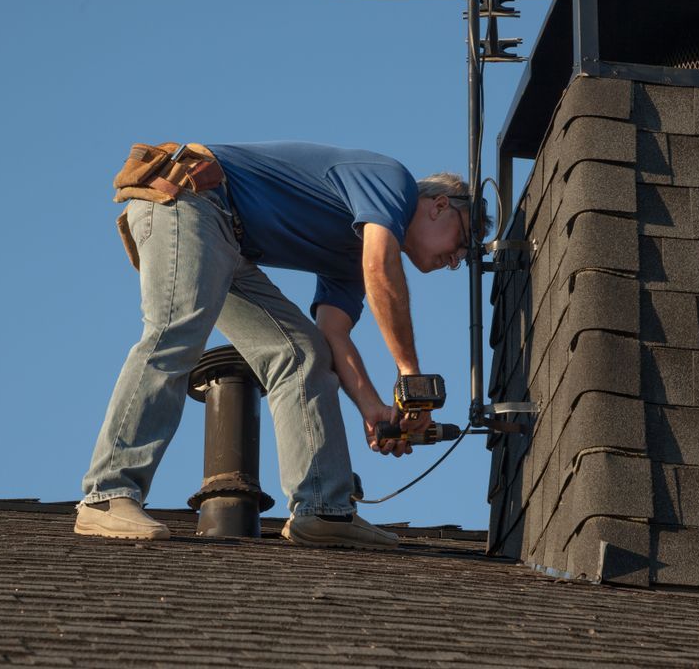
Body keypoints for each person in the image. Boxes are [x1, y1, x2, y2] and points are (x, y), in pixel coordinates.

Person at [74, 141, 487, 549]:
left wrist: (374, 408)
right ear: (440, 205)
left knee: (300, 352)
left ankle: (323, 510)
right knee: (176, 330)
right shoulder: (394, 183)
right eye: (463, 243)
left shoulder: (351, 251)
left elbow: (333, 333)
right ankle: (108, 494)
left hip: (223, 238)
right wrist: (410, 375)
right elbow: (381, 266)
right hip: (187, 202)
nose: (455, 260)